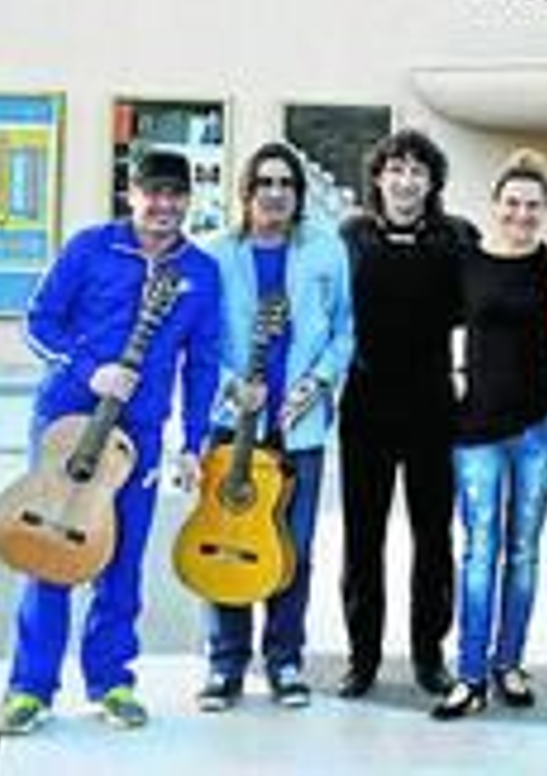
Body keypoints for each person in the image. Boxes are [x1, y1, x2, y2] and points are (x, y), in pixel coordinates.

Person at [0, 148, 222, 736]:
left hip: (139, 435)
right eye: (154, 193)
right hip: (66, 420)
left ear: (187, 202)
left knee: (120, 558)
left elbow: (203, 363)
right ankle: (30, 688)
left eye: (176, 195)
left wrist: (192, 440)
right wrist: (89, 369)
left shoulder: (201, 271)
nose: (164, 205)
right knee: (49, 546)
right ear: (132, 193)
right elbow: (38, 321)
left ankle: (112, 681)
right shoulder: (90, 247)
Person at [195, 141, 354, 712]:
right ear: (246, 191)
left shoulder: (326, 251)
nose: (275, 193)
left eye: (286, 183)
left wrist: (318, 383)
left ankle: (285, 661)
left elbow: (345, 330)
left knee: (293, 549)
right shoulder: (213, 254)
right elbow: (197, 341)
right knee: (226, 542)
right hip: (231, 426)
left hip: (300, 428)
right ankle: (225, 664)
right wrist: (232, 387)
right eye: (264, 182)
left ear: (298, 194)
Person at [338, 128, 475, 698]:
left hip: (432, 405)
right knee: (362, 539)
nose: (406, 180)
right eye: (396, 169)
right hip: (365, 404)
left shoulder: (458, 237)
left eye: (418, 171)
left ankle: (429, 654)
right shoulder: (351, 237)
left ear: (432, 182)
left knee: (434, 538)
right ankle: (362, 657)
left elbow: (489, 301)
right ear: (378, 177)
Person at [431, 150, 547, 721]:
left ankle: (510, 662)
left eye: (533, 205)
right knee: (479, 551)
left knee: (525, 551)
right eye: (512, 203)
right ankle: (469, 673)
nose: (522, 214)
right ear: (495, 206)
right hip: (476, 430)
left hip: (538, 427)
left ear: (545, 210)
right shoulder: (465, 262)